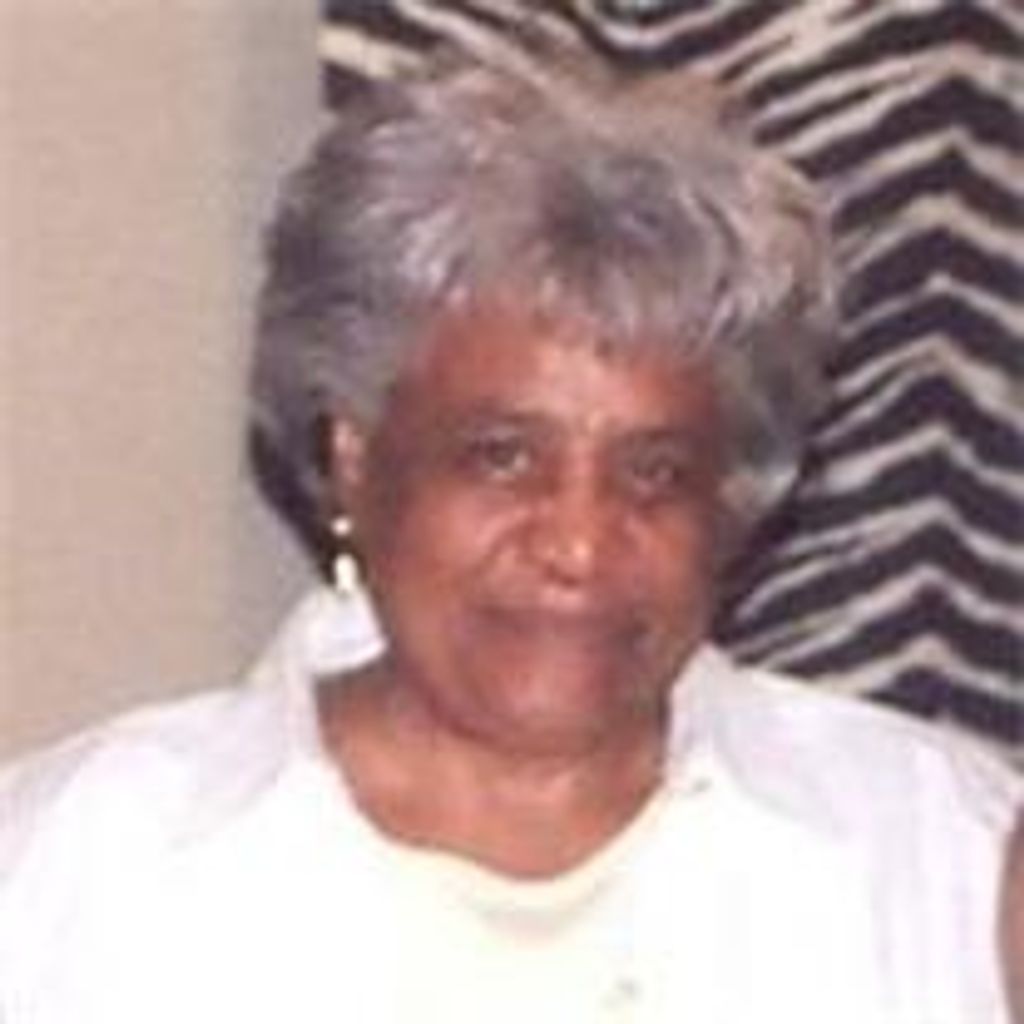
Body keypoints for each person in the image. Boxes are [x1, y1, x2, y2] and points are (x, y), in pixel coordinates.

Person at [1, 45, 1019, 1024]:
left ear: (731, 503)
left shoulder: (944, 858)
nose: (579, 545)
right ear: (356, 457)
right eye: (501, 456)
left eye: (653, 474)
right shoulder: (75, 867)